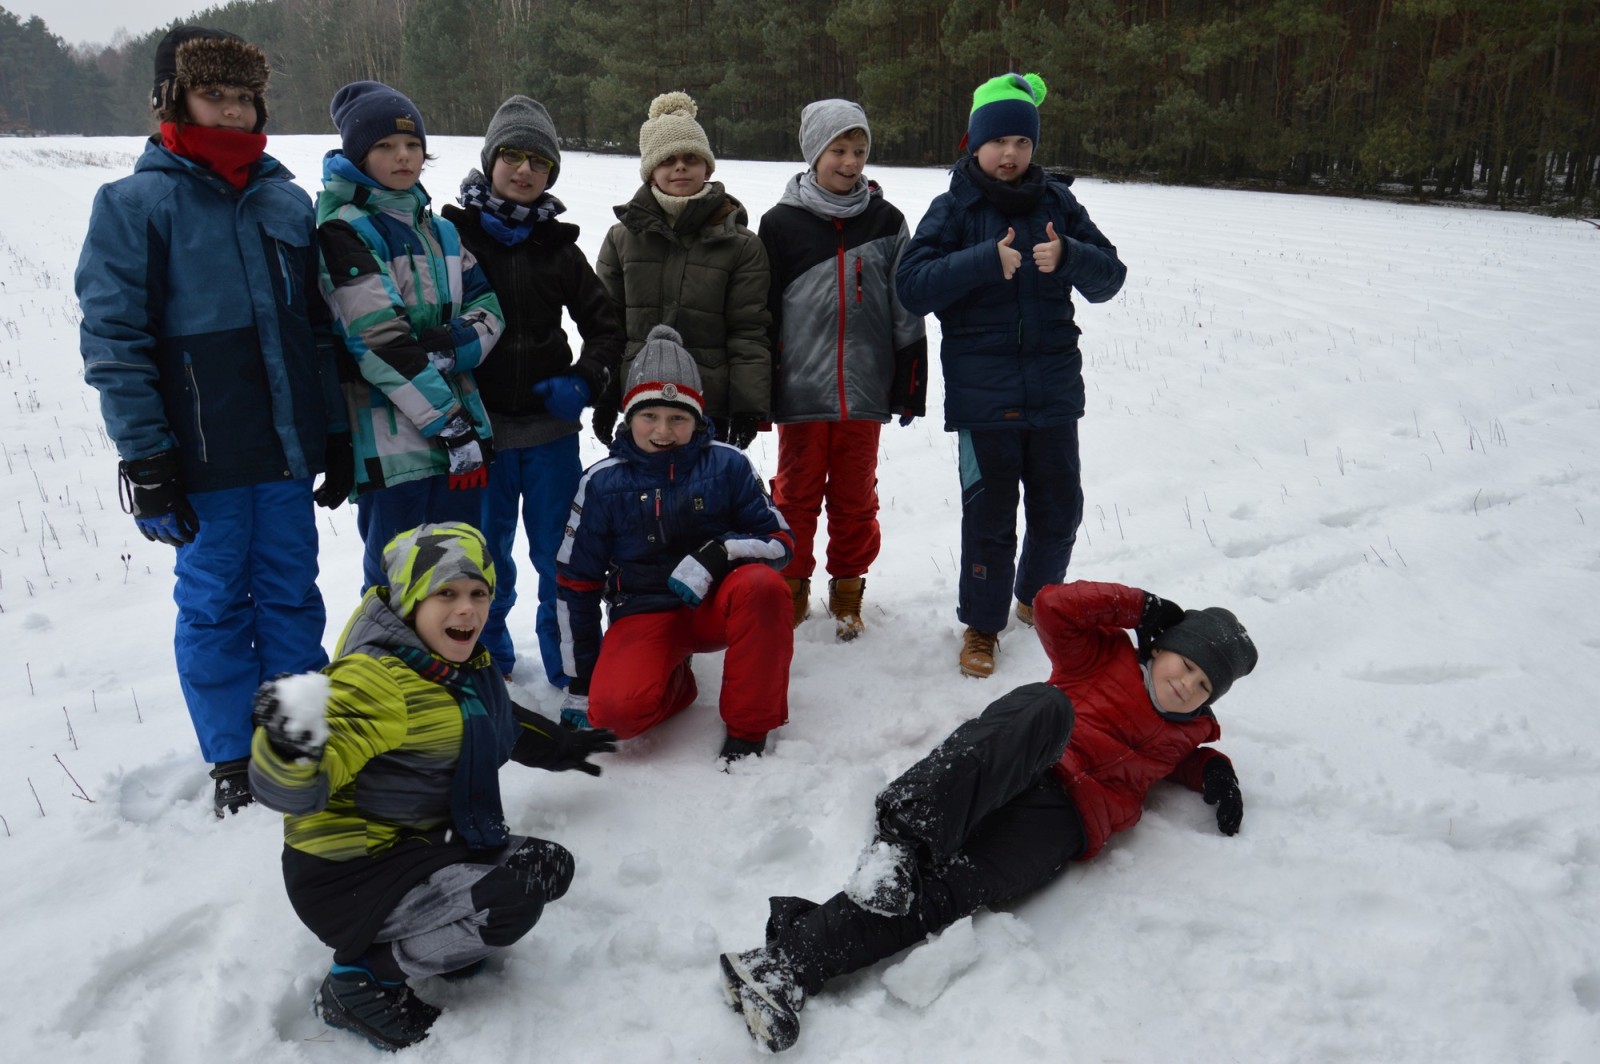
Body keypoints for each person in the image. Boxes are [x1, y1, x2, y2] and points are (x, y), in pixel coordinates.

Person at [718, 580, 1257, 1052]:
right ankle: (900, 839)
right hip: (1023, 760)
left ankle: (786, 965)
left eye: (1204, 687)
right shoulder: (1101, 657)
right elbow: (1053, 605)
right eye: (1187, 665)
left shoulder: (1186, 735)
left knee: (947, 891)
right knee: (1047, 707)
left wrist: (1215, 771)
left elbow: (1182, 760)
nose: (1188, 685)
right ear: (1161, 647)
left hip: (1062, 825)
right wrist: (1138, 605)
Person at [75, 27, 350, 817]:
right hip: (202, 457)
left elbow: (317, 330)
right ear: (174, 99)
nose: (232, 112)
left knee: (292, 596)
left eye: (244, 97)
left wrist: (333, 430)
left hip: (285, 451)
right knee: (216, 606)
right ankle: (233, 755)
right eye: (213, 95)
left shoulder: (286, 201)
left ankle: (297, 743)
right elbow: (115, 343)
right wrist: (148, 460)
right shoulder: (135, 206)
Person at [248, 522, 616, 1051]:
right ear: (410, 601)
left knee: (546, 867)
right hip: (351, 874)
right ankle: (360, 982)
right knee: (510, 900)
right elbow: (299, 787)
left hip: (421, 846)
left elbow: (495, 722)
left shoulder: (451, 668)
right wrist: (289, 750)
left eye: (477, 593)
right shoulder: (374, 679)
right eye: (445, 594)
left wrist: (563, 746)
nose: (466, 609)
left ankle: (442, 940)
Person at [896, 73, 1128, 679]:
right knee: (990, 520)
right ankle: (982, 625)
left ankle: (1037, 600)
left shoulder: (1058, 204)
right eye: (998, 141)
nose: (1010, 153)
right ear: (975, 143)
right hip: (984, 401)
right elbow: (912, 287)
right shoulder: (954, 207)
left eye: (1022, 142)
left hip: (1053, 392)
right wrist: (981, 261)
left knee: (1060, 511)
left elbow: (1111, 277)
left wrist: (1070, 256)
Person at [441, 95, 625, 685]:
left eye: (539, 162)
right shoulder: (451, 239)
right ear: (490, 160)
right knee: (481, 557)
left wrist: (585, 380)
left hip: (550, 434)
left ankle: (569, 664)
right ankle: (483, 662)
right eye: (513, 156)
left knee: (558, 555)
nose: (524, 170)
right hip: (481, 434)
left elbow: (606, 326)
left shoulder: (559, 248)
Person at [555, 325, 794, 762]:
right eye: (649, 415)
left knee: (763, 587)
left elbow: (779, 541)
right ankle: (677, 682)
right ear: (629, 416)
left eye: (678, 418)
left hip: (715, 605)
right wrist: (580, 682)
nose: (663, 431)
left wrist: (721, 552)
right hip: (643, 611)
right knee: (613, 716)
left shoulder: (728, 465)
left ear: (697, 419)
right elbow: (576, 584)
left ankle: (748, 729)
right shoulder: (601, 484)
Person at [316, 80, 504, 592]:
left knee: (461, 580)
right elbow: (379, 343)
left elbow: (489, 309)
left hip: (458, 443)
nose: (403, 156)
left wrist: (446, 348)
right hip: (397, 448)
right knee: (397, 587)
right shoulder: (345, 231)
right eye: (384, 145)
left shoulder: (441, 231)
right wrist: (452, 424)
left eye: (412, 144)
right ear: (358, 156)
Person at [758, 99, 927, 641]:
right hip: (800, 390)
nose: (851, 162)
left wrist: (910, 382)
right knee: (795, 495)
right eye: (838, 150)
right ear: (814, 153)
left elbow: (905, 306)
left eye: (859, 151)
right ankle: (791, 588)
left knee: (856, 497)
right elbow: (762, 312)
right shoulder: (780, 224)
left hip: (865, 390)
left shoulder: (887, 221)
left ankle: (848, 590)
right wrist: (759, 387)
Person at [594, 91, 771, 450]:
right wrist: (605, 394)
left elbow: (749, 332)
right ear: (651, 171)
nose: (680, 167)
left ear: (707, 167)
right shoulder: (621, 239)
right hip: (640, 401)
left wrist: (746, 407)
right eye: (667, 159)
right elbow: (606, 325)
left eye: (690, 158)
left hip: (708, 404)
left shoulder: (741, 246)